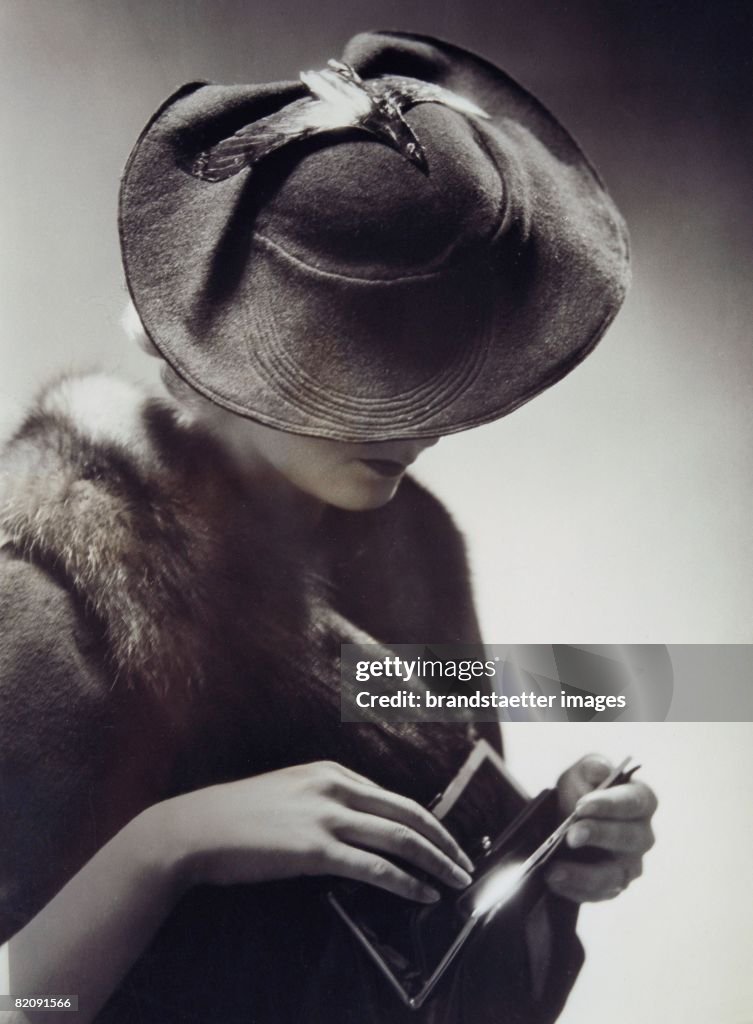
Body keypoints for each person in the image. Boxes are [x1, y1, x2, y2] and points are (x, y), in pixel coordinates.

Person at [0, 30, 656, 1024]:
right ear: (223, 354)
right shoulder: (52, 604)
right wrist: (172, 846)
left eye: (442, 376)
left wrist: (540, 854)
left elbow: (432, 960)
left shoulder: (416, 550)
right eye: (368, 376)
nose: (426, 424)